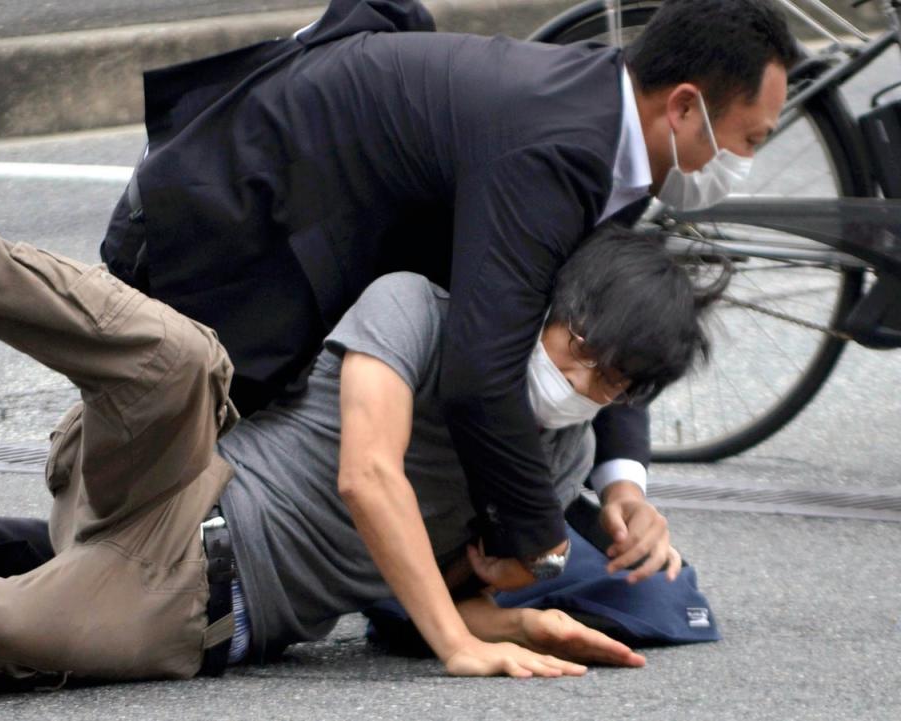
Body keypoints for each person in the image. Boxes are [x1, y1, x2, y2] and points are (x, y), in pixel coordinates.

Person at [0, 165, 718, 694]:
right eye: (577, 349)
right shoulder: (417, 310)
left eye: (610, 381)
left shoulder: (560, 456)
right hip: (174, 474)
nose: (579, 382)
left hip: (189, 601)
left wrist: (519, 614)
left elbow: (417, 604)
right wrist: (459, 640)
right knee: (180, 356)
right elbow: (367, 473)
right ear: (548, 307)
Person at [98, 0, 798, 581]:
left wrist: (622, 482)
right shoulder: (559, 147)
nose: (743, 163)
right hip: (203, 233)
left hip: (280, 238)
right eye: (749, 138)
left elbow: (600, 306)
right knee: (146, 532)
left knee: (164, 547)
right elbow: (479, 374)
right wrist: (541, 546)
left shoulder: (611, 129)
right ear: (683, 107)